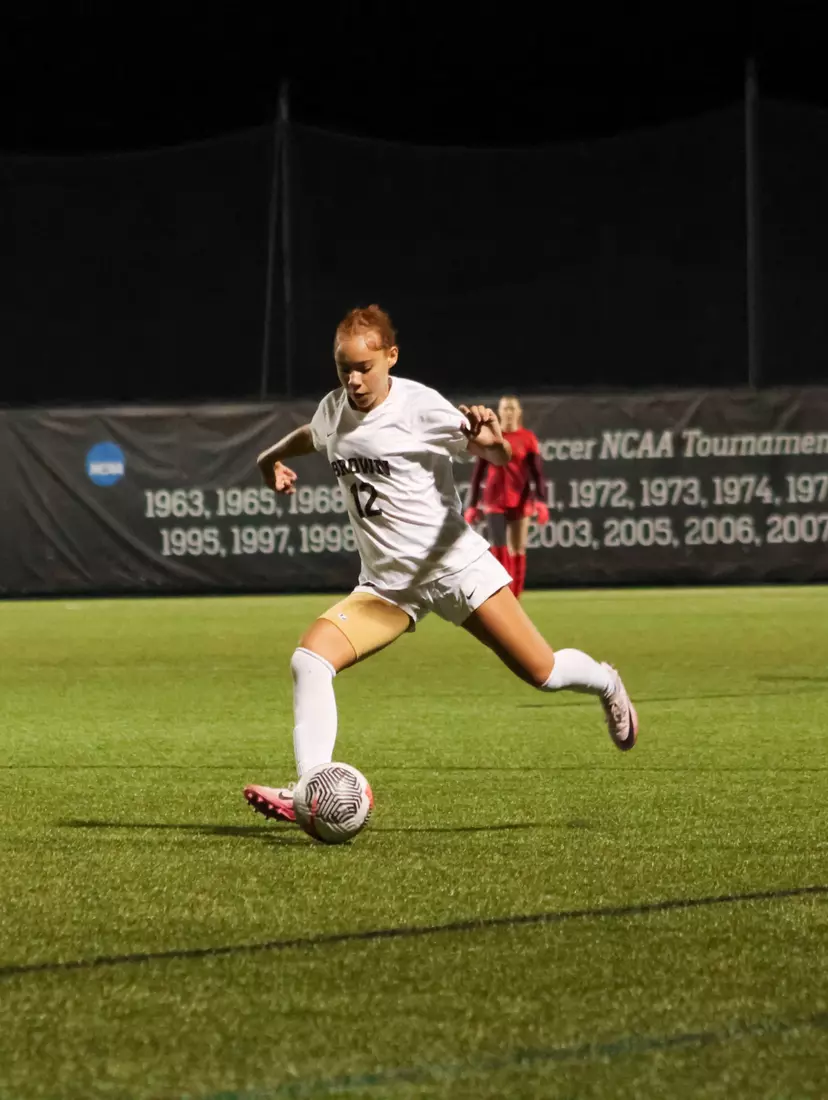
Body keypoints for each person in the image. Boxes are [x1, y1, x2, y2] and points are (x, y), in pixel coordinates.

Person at [244, 305, 637, 824]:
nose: (354, 380)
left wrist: (492, 439)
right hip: (388, 588)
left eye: (364, 367)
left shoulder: (420, 406)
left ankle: (606, 682)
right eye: (344, 369)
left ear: (391, 356)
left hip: (457, 570)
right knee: (309, 661)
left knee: (544, 673)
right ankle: (310, 790)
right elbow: (310, 435)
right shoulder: (333, 409)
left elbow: (497, 456)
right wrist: (267, 460)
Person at [464, 395, 548, 599]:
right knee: (499, 547)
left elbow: (536, 472)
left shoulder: (527, 438)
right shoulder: (493, 437)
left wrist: (541, 501)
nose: (509, 412)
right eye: (505, 408)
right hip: (494, 500)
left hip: (521, 499)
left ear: (519, 412)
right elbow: (478, 474)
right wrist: (472, 504)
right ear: (499, 412)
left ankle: (515, 597)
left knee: (518, 549)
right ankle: (504, 596)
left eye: (512, 408)